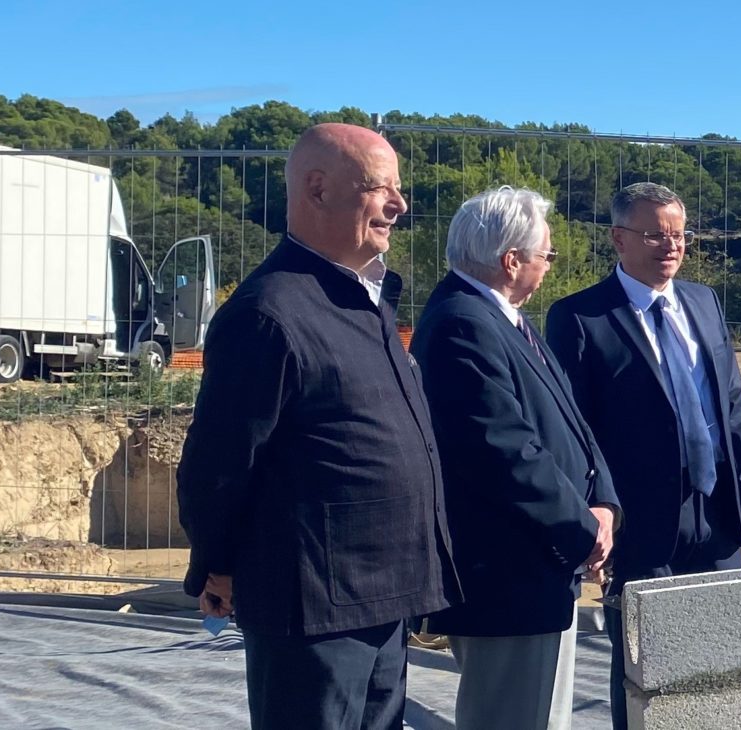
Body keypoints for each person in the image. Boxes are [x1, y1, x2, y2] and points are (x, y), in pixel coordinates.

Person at [175, 123, 454, 730]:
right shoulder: (268, 313)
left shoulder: (362, 300)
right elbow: (219, 465)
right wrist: (216, 564)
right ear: (318, 189)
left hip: (383, 597)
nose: (399, 204)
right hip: (315, 608)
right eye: (380, 187)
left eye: (398, 188)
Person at [543, 182, 741, 730]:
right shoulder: (580, 317)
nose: (671, 246)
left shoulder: (704, 302)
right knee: (643, 671)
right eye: (654, 236)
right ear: (619, 239)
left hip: (717, 514)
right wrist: (595, 515)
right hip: (639, 525)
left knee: (723, 663)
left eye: (679, 235)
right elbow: (573, 430)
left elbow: (732, 404)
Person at [411, 186, 619, 730]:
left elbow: (571, 422)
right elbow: (503, 452)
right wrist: (582, 528)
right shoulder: (462, 324)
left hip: (540, 568)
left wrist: (603, 502)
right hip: (508, 577)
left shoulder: (501, 317)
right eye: (546, 254)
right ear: (512, 260)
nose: (550, 265)